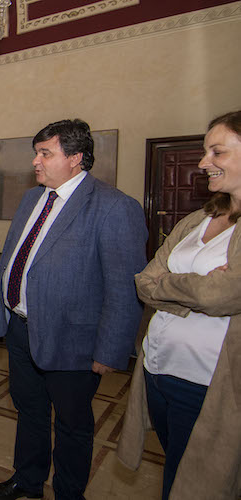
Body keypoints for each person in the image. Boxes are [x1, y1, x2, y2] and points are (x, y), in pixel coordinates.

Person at [0, 119, 146, 500]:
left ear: (75, 158)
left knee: (73, 423)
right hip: (21, 329)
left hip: (74, 338)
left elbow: (124, 289)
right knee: (30, 411)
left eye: (45, 153)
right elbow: (15, 257)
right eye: (36, 153)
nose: (35, 162)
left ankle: (69, 493)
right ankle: (28, 480)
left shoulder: (114, 207)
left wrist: (110, 351)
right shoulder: (31, 199)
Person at [117, 110, 241, 500]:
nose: (204, 162)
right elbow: (144, 282)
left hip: (209, 384)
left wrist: (174, 288)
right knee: (174, 466)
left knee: (196, 483)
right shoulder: (196, 219)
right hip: (158, 369)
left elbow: (222, 295)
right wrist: (198, 287)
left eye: (216, 152)